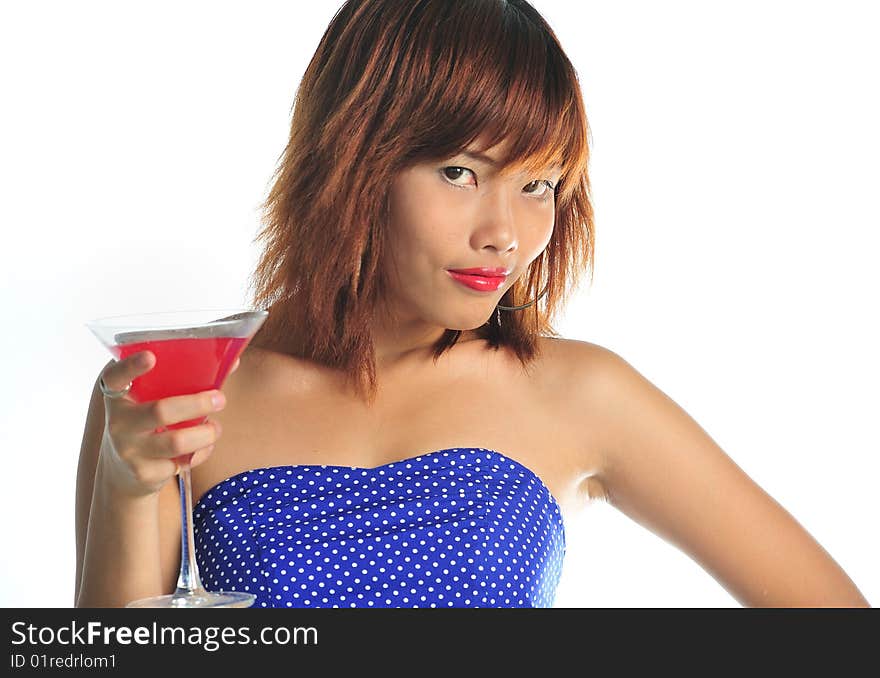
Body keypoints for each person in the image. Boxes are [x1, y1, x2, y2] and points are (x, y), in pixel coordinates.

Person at [75, 0, 870, 608]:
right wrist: (128, 484)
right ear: (351, 155)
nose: (506, 234)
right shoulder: (179, 389)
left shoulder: (582, 392)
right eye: (460, 171)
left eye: (539, 185)